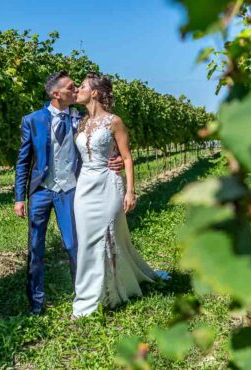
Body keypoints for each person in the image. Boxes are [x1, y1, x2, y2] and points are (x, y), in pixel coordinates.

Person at [14, 71, 124, 315]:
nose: (76, 91)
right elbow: (23, 161)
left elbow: (105, 138)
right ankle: (36, 303)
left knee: (74, 244)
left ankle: (83, 296)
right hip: (41, 192)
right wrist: (20, 197)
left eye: (77, 87)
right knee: (35, 248)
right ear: (56, 94)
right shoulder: (32, 120)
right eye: (71, 88)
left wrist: (115, 159)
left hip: (72, 190)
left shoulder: (80, 119)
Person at [72, 72, 169, 318]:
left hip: (108, 184)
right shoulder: (81, 123)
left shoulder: (114, 121)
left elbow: (126, 157)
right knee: (86, 241)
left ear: (94, 92)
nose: (78, 90)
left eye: (82, 87)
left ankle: (114, 289)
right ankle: (87, 295)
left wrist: (130, 191)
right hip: (84, 188)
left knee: (110, 236)